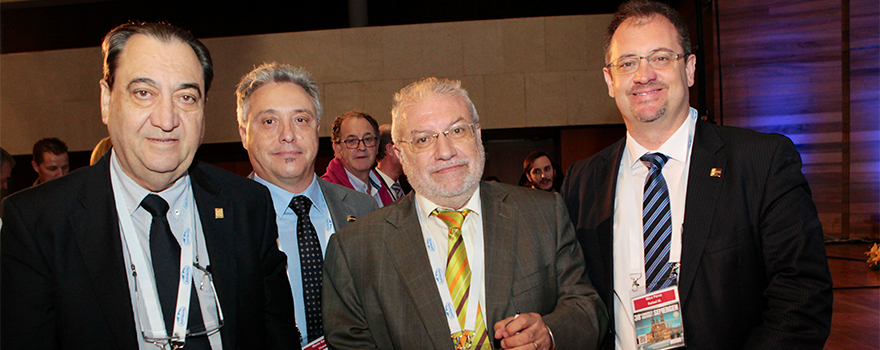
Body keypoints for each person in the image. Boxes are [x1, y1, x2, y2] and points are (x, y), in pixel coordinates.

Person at [1, 22, 297, 350]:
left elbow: (277, 333)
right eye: (144, 93)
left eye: (186, 97)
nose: (166, 119)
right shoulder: (38, 223)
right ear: (106, 99)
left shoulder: (247, 206)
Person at [560, 1, 833, 349]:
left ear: (689, 68)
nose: (643, 75)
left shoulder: (761, 162)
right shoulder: (582, 182)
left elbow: (802, 297)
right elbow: (576, 298)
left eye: (660, 57)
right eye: (627, 63)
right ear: (610, 80)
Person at [323, 77, 608, 350]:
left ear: (477, 134)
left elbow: (586, 307)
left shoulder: (544, 214)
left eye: (457, 131)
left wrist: (548, 333)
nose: (445, 152)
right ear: (400, 153)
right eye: (423, 139)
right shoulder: (355, 250)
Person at [235, 62, 378, 347]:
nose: (288, 134)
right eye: (269, 121)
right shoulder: (226, 222)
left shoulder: (365, 211)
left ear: (317, 128)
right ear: (243, 133)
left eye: (300, 119)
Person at [322, 110, 394, 207]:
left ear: (377, 146)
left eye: (368, 139)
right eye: (352, 141)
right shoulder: (325, 194)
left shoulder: (384, 188)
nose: (362, 147)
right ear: (338, 150)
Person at [375, 123, 412, 200]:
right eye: (404, 145)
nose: (410, 151)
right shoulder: (372, 189)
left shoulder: (408, 187)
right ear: (390, 150)